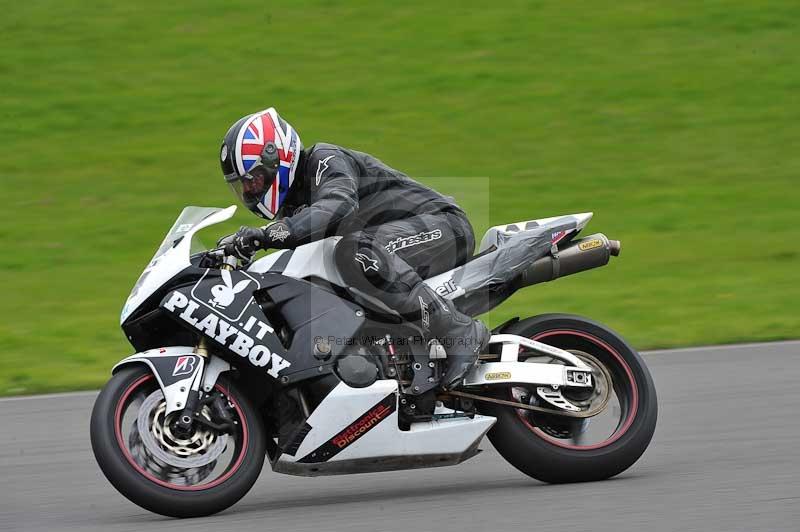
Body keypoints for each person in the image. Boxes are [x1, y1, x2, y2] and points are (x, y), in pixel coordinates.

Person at [218, 107, 489, 389]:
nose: (250, 192)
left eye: (254, 180)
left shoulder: (324, 160)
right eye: (243, 187)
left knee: (355, 251)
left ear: (278, 157)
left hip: (442, 227)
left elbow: (337, 205)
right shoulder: (292, 208)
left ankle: (459, 331)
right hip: (391, 250)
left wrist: (267, 234)